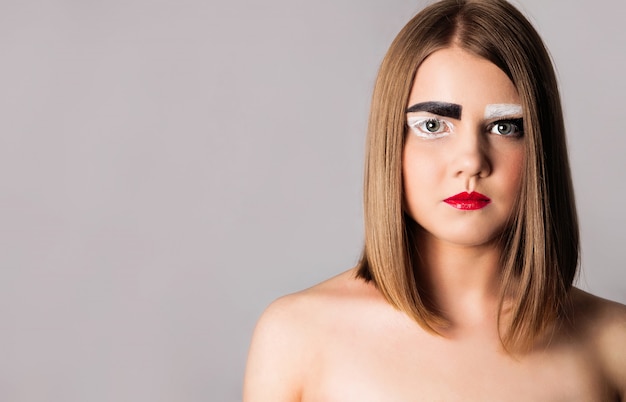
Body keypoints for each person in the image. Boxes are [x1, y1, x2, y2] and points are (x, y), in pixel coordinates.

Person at [243, 0, 626, 400]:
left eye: (504, 126)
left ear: (541, 148)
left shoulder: (613, 343)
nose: (472, 161)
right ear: (391, 143)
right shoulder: (297, 336)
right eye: (433, 125)